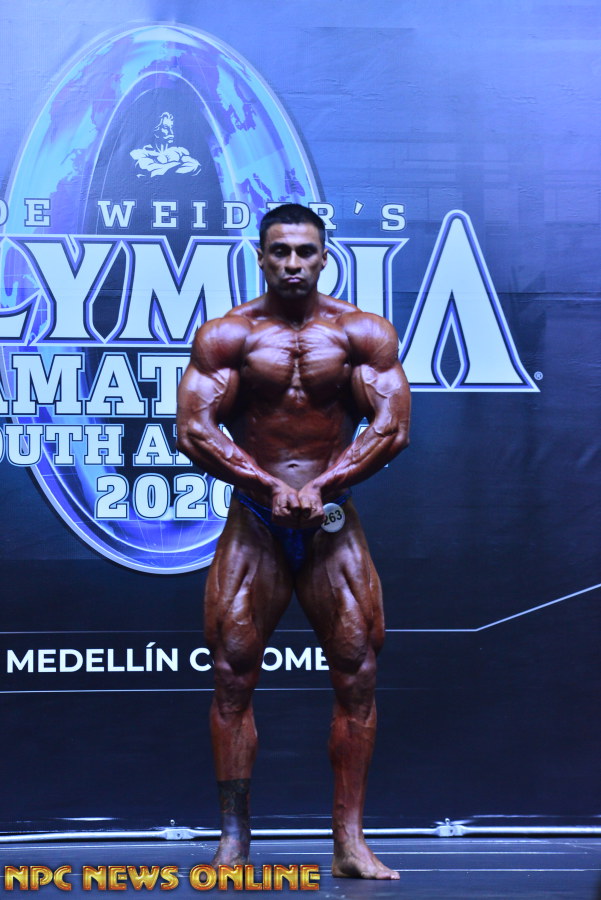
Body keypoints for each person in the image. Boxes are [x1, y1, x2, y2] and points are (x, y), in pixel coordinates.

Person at [176, 203, 410, 879]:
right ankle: (233, 841)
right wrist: (266, 484)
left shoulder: (361, 332)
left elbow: (391, 427)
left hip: (331, 521)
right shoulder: (229, 336)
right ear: (260, 257)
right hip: (256, 520)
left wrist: (324, 483)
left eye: (305, 251)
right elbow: (193, 430)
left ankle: (349, 843)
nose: (292, 264)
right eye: (279, 251)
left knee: (358, 671)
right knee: (231, 675)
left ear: (324, 257)